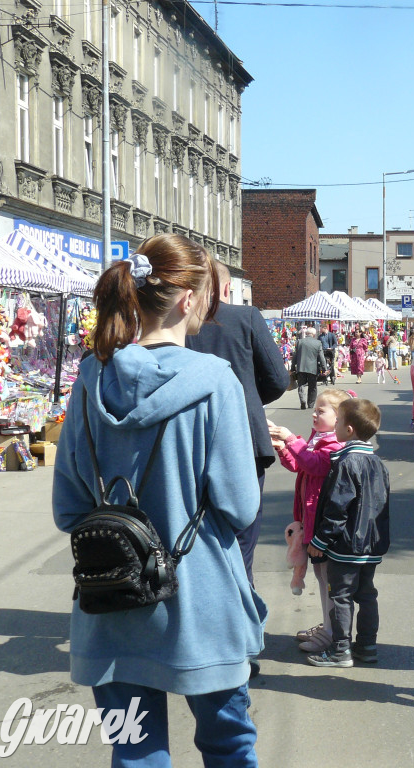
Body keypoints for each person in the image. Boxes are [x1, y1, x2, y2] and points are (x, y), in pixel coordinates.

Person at [53, 234, 265, 766]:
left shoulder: (89, 377)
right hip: (201, 599)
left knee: (136, 753)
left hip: (112, 598)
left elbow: (67, 509)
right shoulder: (214, 380)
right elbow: (240, 505)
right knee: (229, 747)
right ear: (187, 299)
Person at [187, 260, 291, 592]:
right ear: (228, 289)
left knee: (194, 532)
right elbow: (278, 378)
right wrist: (247, 400)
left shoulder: (177, 325)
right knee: (242, 534)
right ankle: (240, 609)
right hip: (244, 438)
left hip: (189, 438)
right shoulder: (245, 318)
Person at [306, 398, 391, 668]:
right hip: (372, 544)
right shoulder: (379, 464)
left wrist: (320, 540)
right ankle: (367, 645)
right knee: (367, 595)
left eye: (339, 422)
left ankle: (340, 649)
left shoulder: (345, 463)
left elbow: (337, 508)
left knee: (340, 595)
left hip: (345, 545)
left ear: (349, 429)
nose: (336, 427)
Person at [268, 388, 352, 654]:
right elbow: (299, 465)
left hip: (324, 522)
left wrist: (291, 439)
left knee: (327, 577)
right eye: (315, 410)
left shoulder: (335, 443)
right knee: (321, 574)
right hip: (312, 518)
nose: (314, 414)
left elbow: (315, 464)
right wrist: (284, 447)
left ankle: (331, 631)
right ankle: (328, 625)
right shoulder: (319, 438)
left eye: (321, 410)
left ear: (338, 418)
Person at [292, 326, 326, 408]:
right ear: (314, 334)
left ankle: (302, 400)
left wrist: (293, 367)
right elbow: (321, 357)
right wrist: (324, 368)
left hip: (301, 367)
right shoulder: (318, 343)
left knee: (301, 385)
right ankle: (311, 404)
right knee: (312, 386)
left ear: (306, 333)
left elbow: (295, 356)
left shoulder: (299, 342)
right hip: (313, 368)